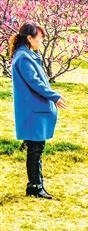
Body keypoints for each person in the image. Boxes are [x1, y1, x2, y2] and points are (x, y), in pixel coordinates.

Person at [10, 23, 67, 199]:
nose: (41, 41)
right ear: (29, 38)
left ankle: (36, 185)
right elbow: (35, 83)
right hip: (33, 109)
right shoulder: (24, 58)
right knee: (35, 149)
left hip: (33, 109)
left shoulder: (27, 55)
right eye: (39, 38)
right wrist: (54, 96)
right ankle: (34, 187)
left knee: (36, 148)